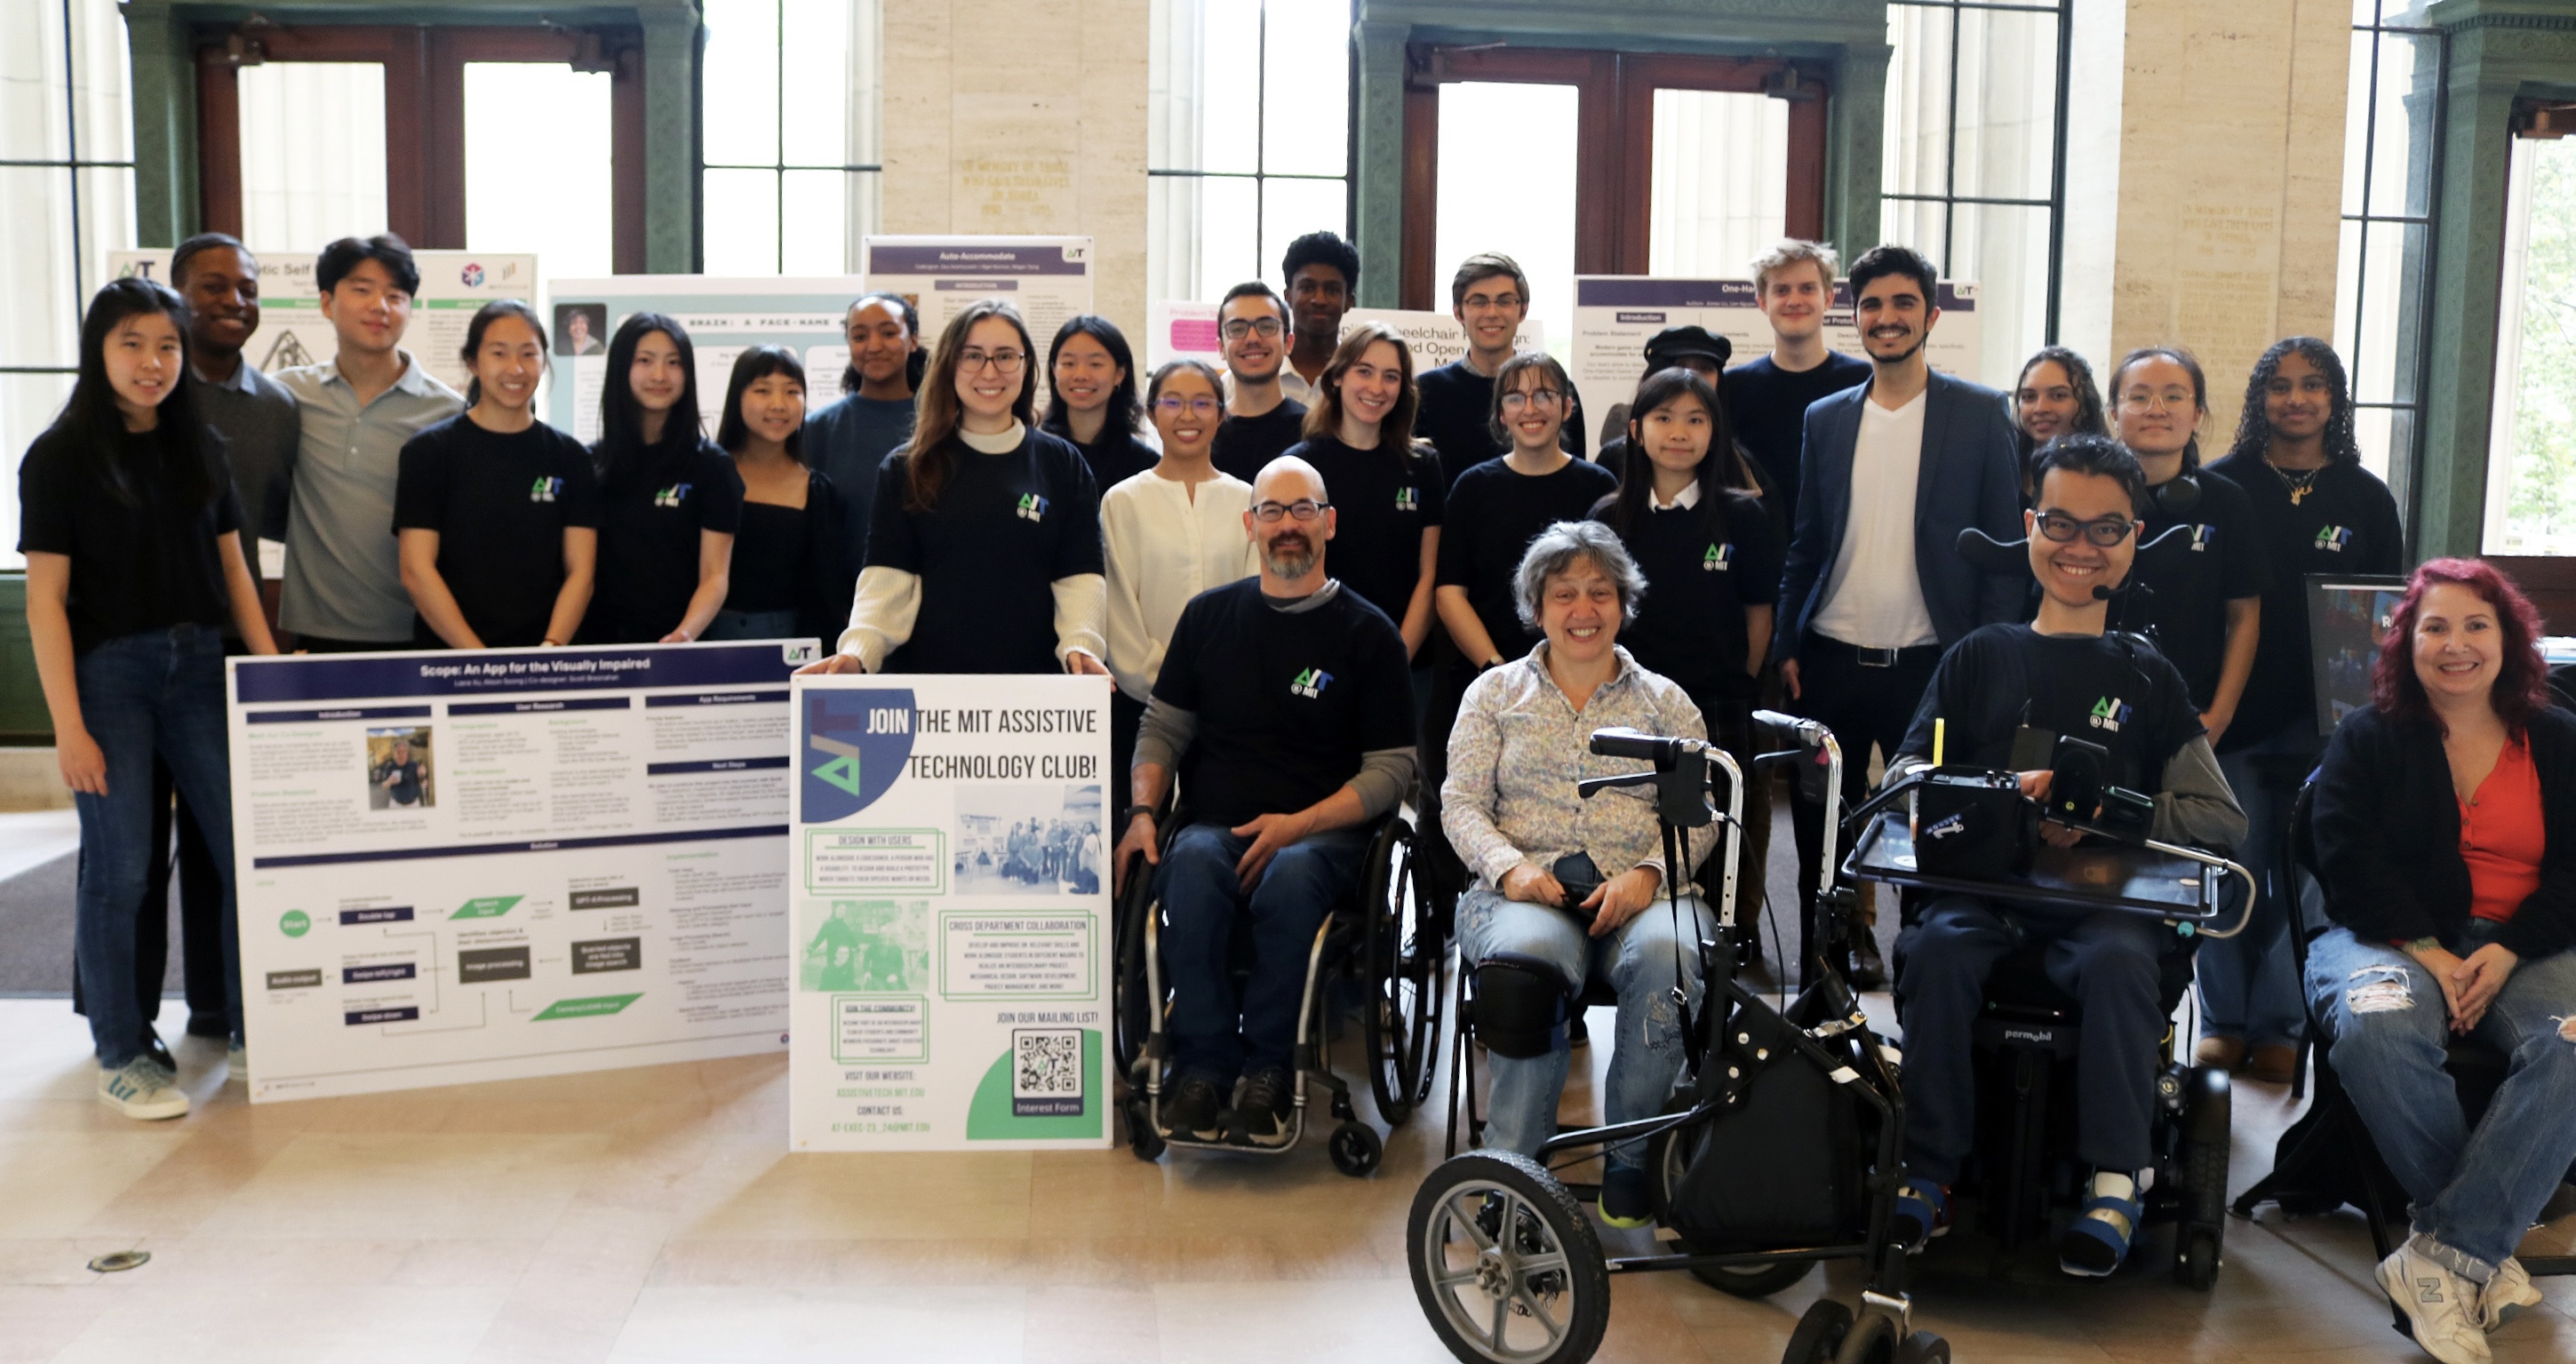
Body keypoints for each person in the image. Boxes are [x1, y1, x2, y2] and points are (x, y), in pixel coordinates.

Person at [1883, 435, 2245, 1277]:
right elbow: (1905, 778)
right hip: (1980, 896)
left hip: (2105, 908)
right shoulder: (1978, 656)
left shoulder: (2149, 677)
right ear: (2028, 524)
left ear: (2133, 540)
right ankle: (1928, 1172)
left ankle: (2116, 1177)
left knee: (2123, 961)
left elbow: (2218, 819)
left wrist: (2112, 812)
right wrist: (1999, 793)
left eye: (2105, 528)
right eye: (2060, 522)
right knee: (1937, 949)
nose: (2080, 546)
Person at [20, 277, 279, 1120]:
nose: (152, 362)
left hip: (202, 668)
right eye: (132, 343)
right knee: (121, 870)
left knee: (249, 854)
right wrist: (68, 727)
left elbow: (236, 568)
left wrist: (271, 674)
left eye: (166, 345)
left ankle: (254, 1027)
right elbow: (44, 600)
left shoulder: (198, 443)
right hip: (110, 681)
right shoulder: (58, 456)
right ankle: (123, 1051)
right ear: (100, 350)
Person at [2307, 559, 2576, 1364]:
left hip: (2523, 940)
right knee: (2376, 1031)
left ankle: (2439, 1258)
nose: (2454, 644)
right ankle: (2476, 1249)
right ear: (2405, 640)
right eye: (2434, 627)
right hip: (2384, 935)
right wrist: (2427, 950)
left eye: (2474, 625)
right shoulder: (2369, 733)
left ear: (2509, 638)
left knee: (2572, 1038)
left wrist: (2505, 947)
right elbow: (2345, 856)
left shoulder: (2558, 738)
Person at [1115, 455, 1417, 1142]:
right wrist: (1139, 813)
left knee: (1291, 873)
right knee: (1186, 864)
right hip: (1215, 826)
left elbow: (1391, 769)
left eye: (1303, 509)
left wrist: (1297, 825)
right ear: (1250, 525)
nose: (1288, 526)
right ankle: (1204, 1065)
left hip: (1328, 838)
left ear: (1328, 523)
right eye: (1273, 512)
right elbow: (1162, 728)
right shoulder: (1207, 619)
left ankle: (1269, 1068)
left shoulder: (1367, 634)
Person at [1446, 520, 1711, 1224]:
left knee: (1671, 954)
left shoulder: (1665, 702)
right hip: (1521, 894)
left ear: (1623, 604)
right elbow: (1460, 803)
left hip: (1644, 892)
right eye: (1564, 594)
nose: (1583, 609)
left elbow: (1700, 814)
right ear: (1537, 608)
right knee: (1526, 961)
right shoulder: (1495, 695)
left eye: (1599, 592)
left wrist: (1649, 874)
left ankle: (1632, 1158)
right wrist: (1509, 869)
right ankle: (1514, 1169)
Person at [1774, 243, 2022, 989]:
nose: (1886, 318)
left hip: (1931, 665)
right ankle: (1830, 963)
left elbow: (2003, 553)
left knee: (1933, 823)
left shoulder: (1979, 415)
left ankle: (1924, 968)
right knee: (1826, 824)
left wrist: (1982, 658)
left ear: (1930, 316)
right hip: (1829, 655)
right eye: (1872, 305)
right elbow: (1807, 539)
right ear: (1854, 318)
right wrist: (1787, 637)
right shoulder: (1825, 417)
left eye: (1902, 303)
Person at [2201, 337, 2405, 1081]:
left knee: (2309, 879)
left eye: (2311, 386)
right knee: (2231, 865)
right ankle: (2223, 1019)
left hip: (2334, 727)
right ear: (2258, 399)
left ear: (2333, 399)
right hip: (2234, 714)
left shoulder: (2365, 496)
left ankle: (2282, 1023)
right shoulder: (2220, 486)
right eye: (2279, 386)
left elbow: (2387, 616)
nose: (2294, 399)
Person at [117, 232, 297, 1047]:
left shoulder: (277, 410)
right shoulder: (124, 412)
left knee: (228, 843)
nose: (234, 302)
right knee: (132, 851)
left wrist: (266, 651)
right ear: (176, 296)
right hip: (124, 657)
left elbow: (269, 537)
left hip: (231, 649)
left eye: (248, 289)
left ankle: (224, 1006)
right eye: (213, 287)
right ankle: (123, 1020)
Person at [804, 299, 1109, 677]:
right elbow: (887, 580)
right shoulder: (906, 468)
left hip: (1034, 695)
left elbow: (1078, 575)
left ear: (1026, 365)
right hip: (928, 696)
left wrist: (1081, 644)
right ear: (950, 365)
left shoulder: (1062, 464)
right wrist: (858, 652)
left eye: (1005, 356)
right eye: (973, 356)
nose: (990, 371)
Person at [1592, 368, 1781, 895]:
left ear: (1714, 432)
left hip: (1716, 703)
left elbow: (1758, 614)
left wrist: (1738, 681)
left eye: (1696, 420)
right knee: (1631, 834)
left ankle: (1729, 952)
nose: (1679, 432)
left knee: (1717, 837)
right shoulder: (1608, 518)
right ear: (1636, 431)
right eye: (1664, 417)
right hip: (1627, 706)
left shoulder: (1743, 515)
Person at [276, 234, 465, 650]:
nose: (380, 306)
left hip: (417, 631)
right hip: (317, 633)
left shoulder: (449, 412)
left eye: (396, 296)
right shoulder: (286, 396)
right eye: (362, 290)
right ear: (327, 303)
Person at [2103, 346, 2268, 798]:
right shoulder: (2088, 492)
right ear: (2114, 413)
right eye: (2139, 397)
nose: (2156, 410)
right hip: (2095, 708)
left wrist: (2219, 716)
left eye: (2174, 397)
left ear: (2196, 414)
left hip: (2192, 718)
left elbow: (2244, 617)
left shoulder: (2227, 502)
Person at [393, 301, 600, 650]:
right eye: (499, 353)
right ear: (473, 362)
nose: (515, 369)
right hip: (451, 656)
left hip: (546, 659)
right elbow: (416, 571)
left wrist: (550, 648)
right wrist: (479, 659)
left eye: (528, 354)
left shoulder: (570, 457)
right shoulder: (429, 452)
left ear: (544, 362)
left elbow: (581, 572)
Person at [1101, 359, 1257, 793]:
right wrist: (1172, 689)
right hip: (1143, 709)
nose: (1187, 416)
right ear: (1151, 414)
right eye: (1172, 402)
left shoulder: (1248, 499)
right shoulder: (1123, 501)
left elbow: (1255, 604)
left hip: (1233, 713)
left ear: (1222, 414)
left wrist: (1222, 686)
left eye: (1202, 403)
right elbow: (1120, 614)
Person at [1280, 323, 1442, 663]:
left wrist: (1396, 657)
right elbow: (1290, 573)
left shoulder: (1422, 465)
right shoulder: (1299, 467)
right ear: (1337, 377)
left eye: (1391, 377)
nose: (1377, 388)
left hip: (1407, 660)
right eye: (1364, 372)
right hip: (1320, 657)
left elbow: (1429, 575)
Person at [578, 314, 743, 644]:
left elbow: (714, 576)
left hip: (678, 650)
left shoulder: (712, 467)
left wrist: (683, 635)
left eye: (673, 362)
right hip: (597, 649)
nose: (660, 375)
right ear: (621, 369)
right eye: (644, 361)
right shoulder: (589, 463)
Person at [1721, 239, 1871, 530]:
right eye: (1781, 290)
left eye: (1807, 288)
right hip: (1760, 544)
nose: (1794, 300)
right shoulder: (1733, 387)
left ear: (1828, 298)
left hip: (1843, 542)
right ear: (1762, 302)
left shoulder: (1863, 381)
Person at [705, 346, 850, 642]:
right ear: (737, 397)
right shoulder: (706, 474)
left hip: (786, 646)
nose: (778, 404)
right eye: (762, 390)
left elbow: (828, 595)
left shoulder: (817, 491)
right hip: (704, 637)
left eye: (792, 392)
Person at [1413, 253, 1587, 486]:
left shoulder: (1556, 390)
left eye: (1504, 301)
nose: (1492, 313)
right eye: (1479, 301)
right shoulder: (1425, 392)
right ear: (1458, 312)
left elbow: (1577, 476)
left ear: (1522, 310)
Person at [802, 293, 921, 578]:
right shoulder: (818, 429)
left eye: (889, 333)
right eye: (859, 336)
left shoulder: (941, 423)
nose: (874, 346)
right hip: (843, 608)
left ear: (913, 340)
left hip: (931, 605)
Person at [1041, 315, 1157, 491]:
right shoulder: (1034, 453)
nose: (1080, 375)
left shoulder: (1145, 466)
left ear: (1119, 374)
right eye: (1069, 363)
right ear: (1054, 370)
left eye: (1095, 364)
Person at [1210, 282, 1309, 483]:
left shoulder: (1312, 429)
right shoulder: (1206, 432)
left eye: (1266, 326)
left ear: (1288, 343)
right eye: (1237, 329)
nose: (1252, 338)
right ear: (1221, 347)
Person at [2013, 346, 2109, 500]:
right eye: (2029, 397)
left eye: (2058, 395)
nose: (2040, 408)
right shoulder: (2005, 466)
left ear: (2085, 404)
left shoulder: (2109, 476)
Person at [1280, 230, 1360, 404]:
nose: (1319, 300)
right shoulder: (1253, 377)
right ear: (1288, 297)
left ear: (1348, 302)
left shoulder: (1363, 381)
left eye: (1332, 290)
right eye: (1307, 288)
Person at [373, 735, 426, 806]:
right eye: (398, 752)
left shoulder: (414, 765)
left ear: (407, 753)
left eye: (404, 752)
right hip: (395, 804)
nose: (401, 755)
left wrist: (422, 775)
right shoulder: (390, 767)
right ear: (394, 754)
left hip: (414, 804)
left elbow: (422, 781)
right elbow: (383, 785)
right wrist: (389, 781)